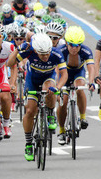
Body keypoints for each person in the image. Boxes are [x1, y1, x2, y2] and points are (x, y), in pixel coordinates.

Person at [7, 33, 68, 161]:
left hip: (48, 78)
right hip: (32, 81)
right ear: (36, 50)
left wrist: (57, 88)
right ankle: (28, 143)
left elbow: (64, 74)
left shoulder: (56, 53)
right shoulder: (29, 51)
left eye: (47, 53)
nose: (45, 57)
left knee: (49, 89)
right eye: (42, 54)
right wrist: (18, 49)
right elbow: (10, 63)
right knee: (30, 111)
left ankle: (50, 113)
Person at [56, 26, 96, 145]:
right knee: (63, 100)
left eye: (78, 45)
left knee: (79, 88)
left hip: (78, 73)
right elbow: (57, 71)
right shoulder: (60, 50)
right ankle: (62, 130)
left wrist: (92, 81)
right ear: (67, 42)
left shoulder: (86, 51)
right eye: (72, 45)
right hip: (64, 74)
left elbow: (91, 67)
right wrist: (57, 86)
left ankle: (83, 117)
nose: (75, 48)